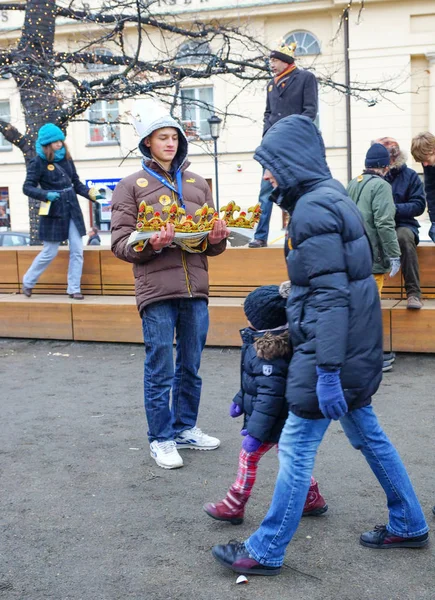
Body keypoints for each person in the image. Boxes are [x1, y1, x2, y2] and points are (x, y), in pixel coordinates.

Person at [211, 115, 429, 577]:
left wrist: (327, 371)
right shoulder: (331, 197)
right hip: (351, 343)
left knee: (295, 447)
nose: (266, 176)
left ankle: (266, 549)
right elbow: (332, 283)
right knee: (369, 436)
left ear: (289, 163)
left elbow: (330, 296)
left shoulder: (313, 209)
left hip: (331, 351)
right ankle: (408, 521)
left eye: (269, 166)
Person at [111, 101, 229, 470]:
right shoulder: (130, 186)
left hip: (195, 287)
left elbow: (212, 245)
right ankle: (160, 438)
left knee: (191, 365)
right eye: (163, 137)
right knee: (160, 365)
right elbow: (120, 243)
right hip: (156, 290)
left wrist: (218, 237)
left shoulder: (196, 183)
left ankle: (184, 428)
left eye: (175, 137)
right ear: (147, 142)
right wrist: (150, 243)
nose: (171, 143)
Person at [203, 284, 327, 525]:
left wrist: (256, 434)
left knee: (248, 456)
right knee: (290, 457)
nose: (246, 317)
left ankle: (234, 503)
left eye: (249, 314)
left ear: (263, 322)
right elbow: (254, 382)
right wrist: (240, 400)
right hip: (283, 418)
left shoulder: (271, 351)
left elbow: (271, 397)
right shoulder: (264, 340)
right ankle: (311, 498)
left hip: (277, 419)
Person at [249, 41, 318, 249]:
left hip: (294, 144)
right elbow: (268, 112)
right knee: (265, 191)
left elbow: (310, 111)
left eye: (275, 60)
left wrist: (293, 132)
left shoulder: (306, 78)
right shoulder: (271, 84)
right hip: (272, 145)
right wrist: (267, 134)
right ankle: (260, 236)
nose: (272, 64)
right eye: (270, 60)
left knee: (296, 190)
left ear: (287, 62)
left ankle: (296, 234)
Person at [22, 123, 103, 300]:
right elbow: (27, 188)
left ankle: (74, 288)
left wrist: (96, 196)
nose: (59, 144)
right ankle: (28, 281)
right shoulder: (37, 162)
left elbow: (77, 184)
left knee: (77, 250)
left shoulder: (66, 158)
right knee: (49, 251)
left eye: (61, 140)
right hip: (53, 210)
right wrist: (45, 195)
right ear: (47, 144)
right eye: (55, 141)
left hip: (72, 207)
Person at [347, 143, 401, 373]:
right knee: (369, 310)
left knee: (356, 308)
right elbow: (384, 223)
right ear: (385, 166)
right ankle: (370, 360)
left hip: (351, 257)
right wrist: (394, 254)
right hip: (372, 259)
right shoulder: (381, 186)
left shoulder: (353, 183)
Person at [375, 137, 426, 310]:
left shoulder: (410, 176)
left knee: (403, 237)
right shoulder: (373, 177)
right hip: (378, 225)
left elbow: (419, 205)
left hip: (403, 224)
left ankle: (413, 293)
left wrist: (392, 209)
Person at [411, 131, 435, 244]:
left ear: (433, 150)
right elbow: (430, 190)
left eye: (426, 160)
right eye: (421, 162)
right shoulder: (428, 163)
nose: (424, 165)